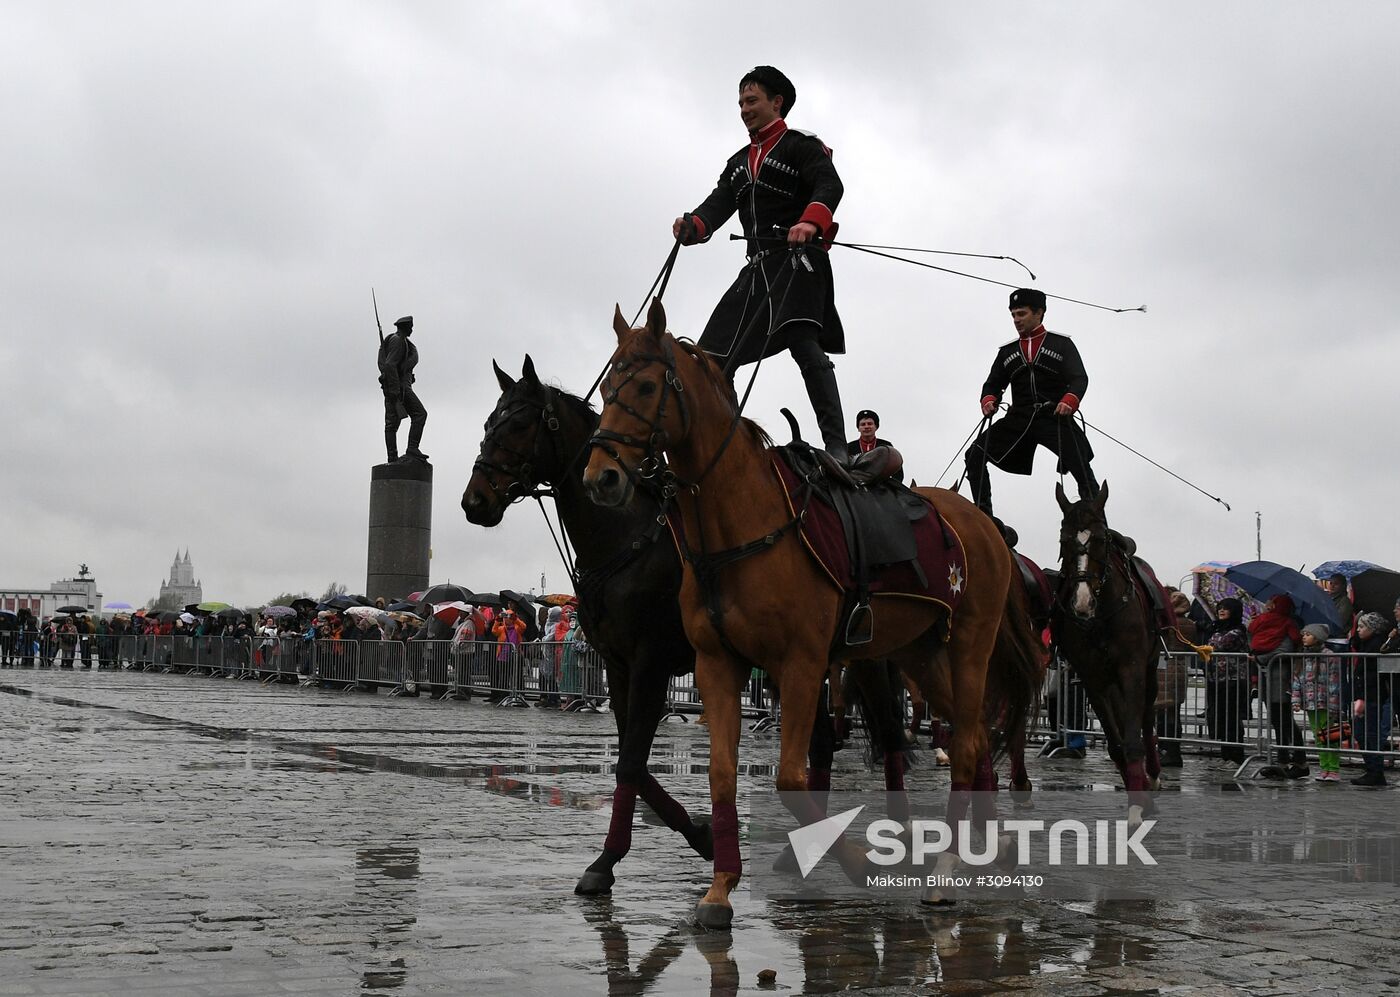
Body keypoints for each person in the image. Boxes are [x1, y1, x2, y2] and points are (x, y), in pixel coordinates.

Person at [674, 65, 849, 461]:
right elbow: (718, 202)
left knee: (803, 341)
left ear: (777, 102)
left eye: (751, 101)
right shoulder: (738, 162)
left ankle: (837, 445)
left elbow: (829, 184)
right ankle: (730, 442)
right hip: (756, 271)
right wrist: (695, 224)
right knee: (711, 360)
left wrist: (810, 220)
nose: (743, 109)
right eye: (740, 102)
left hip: (798, 263)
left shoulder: (801, 146)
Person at [963, 288, 1098, 520]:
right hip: (1019, 418)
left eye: (1021, 314)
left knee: (1081, 464)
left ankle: (1097, 523)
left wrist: (1069, 401)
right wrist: (989, 400)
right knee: (974, 454)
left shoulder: (1061, 344)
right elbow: (992, 384)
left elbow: (1079, 378)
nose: (1016, 320)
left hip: (1054, 417)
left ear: (1039, 313)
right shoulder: (1007, 351)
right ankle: (985, 518)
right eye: (1013, 315)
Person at [1248, 594, 1307, 779]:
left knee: (1285, 719)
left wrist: (1259, 659)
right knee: (1276, 720)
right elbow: (1255, 643)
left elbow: (1284, 651)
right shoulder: (1264, 624)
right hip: (1267, 678)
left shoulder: (1287, 626)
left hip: (1280, 678)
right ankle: (1282, 759)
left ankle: (1299, 760)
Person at [1292, 623, 1342, 782]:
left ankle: (1333, 768)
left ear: (1318, 637)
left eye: (1308, 634)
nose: (1304, 637)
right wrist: (1296, 699)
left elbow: (1334, 681)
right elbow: (1297, 680)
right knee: (1318, 735)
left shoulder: (1329, 656)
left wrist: (1334, 704)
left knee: (1329, 735)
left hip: (1325, 702)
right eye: (1303, 634)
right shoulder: (1303, 656)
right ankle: (1324, 767)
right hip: (1310, 702)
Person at [1204, 598, 1250, 764]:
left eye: (1226, 609)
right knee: (1221, 717)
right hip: (1217, 679)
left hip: (1234, 680)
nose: (1221, 611)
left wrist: (1213, 640)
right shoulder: (1217, 629)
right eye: (1220, 608)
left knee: (1232, 718)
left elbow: (1220, 644)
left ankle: (1236, 754)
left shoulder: (1238, 631)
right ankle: (1226, 753)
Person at [379, 315, 428, 464]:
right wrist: (395, 391)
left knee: (392, 424)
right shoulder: (397, 341)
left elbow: (398, 365)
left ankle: (397, 456)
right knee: (419, 414)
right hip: (399, 389)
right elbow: (389, 365)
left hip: (400, 386)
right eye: (410, 327)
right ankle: (408, 450)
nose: (412, 329)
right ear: (405, 327)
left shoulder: (402, 342)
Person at [1350, 611, 1392, 787]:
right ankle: (1372, 769)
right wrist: (1355, 629)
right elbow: (1355, 642)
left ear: (1373, 629)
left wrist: (1363, 698)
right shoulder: (1366, 643)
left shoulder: (1376, 646)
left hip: (1371, 696)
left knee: (1368, 733)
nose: (1359, 630)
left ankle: (1375, 770)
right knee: (1362, 732)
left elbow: (1372, 676)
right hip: (1366, 695)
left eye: (1362, 627)